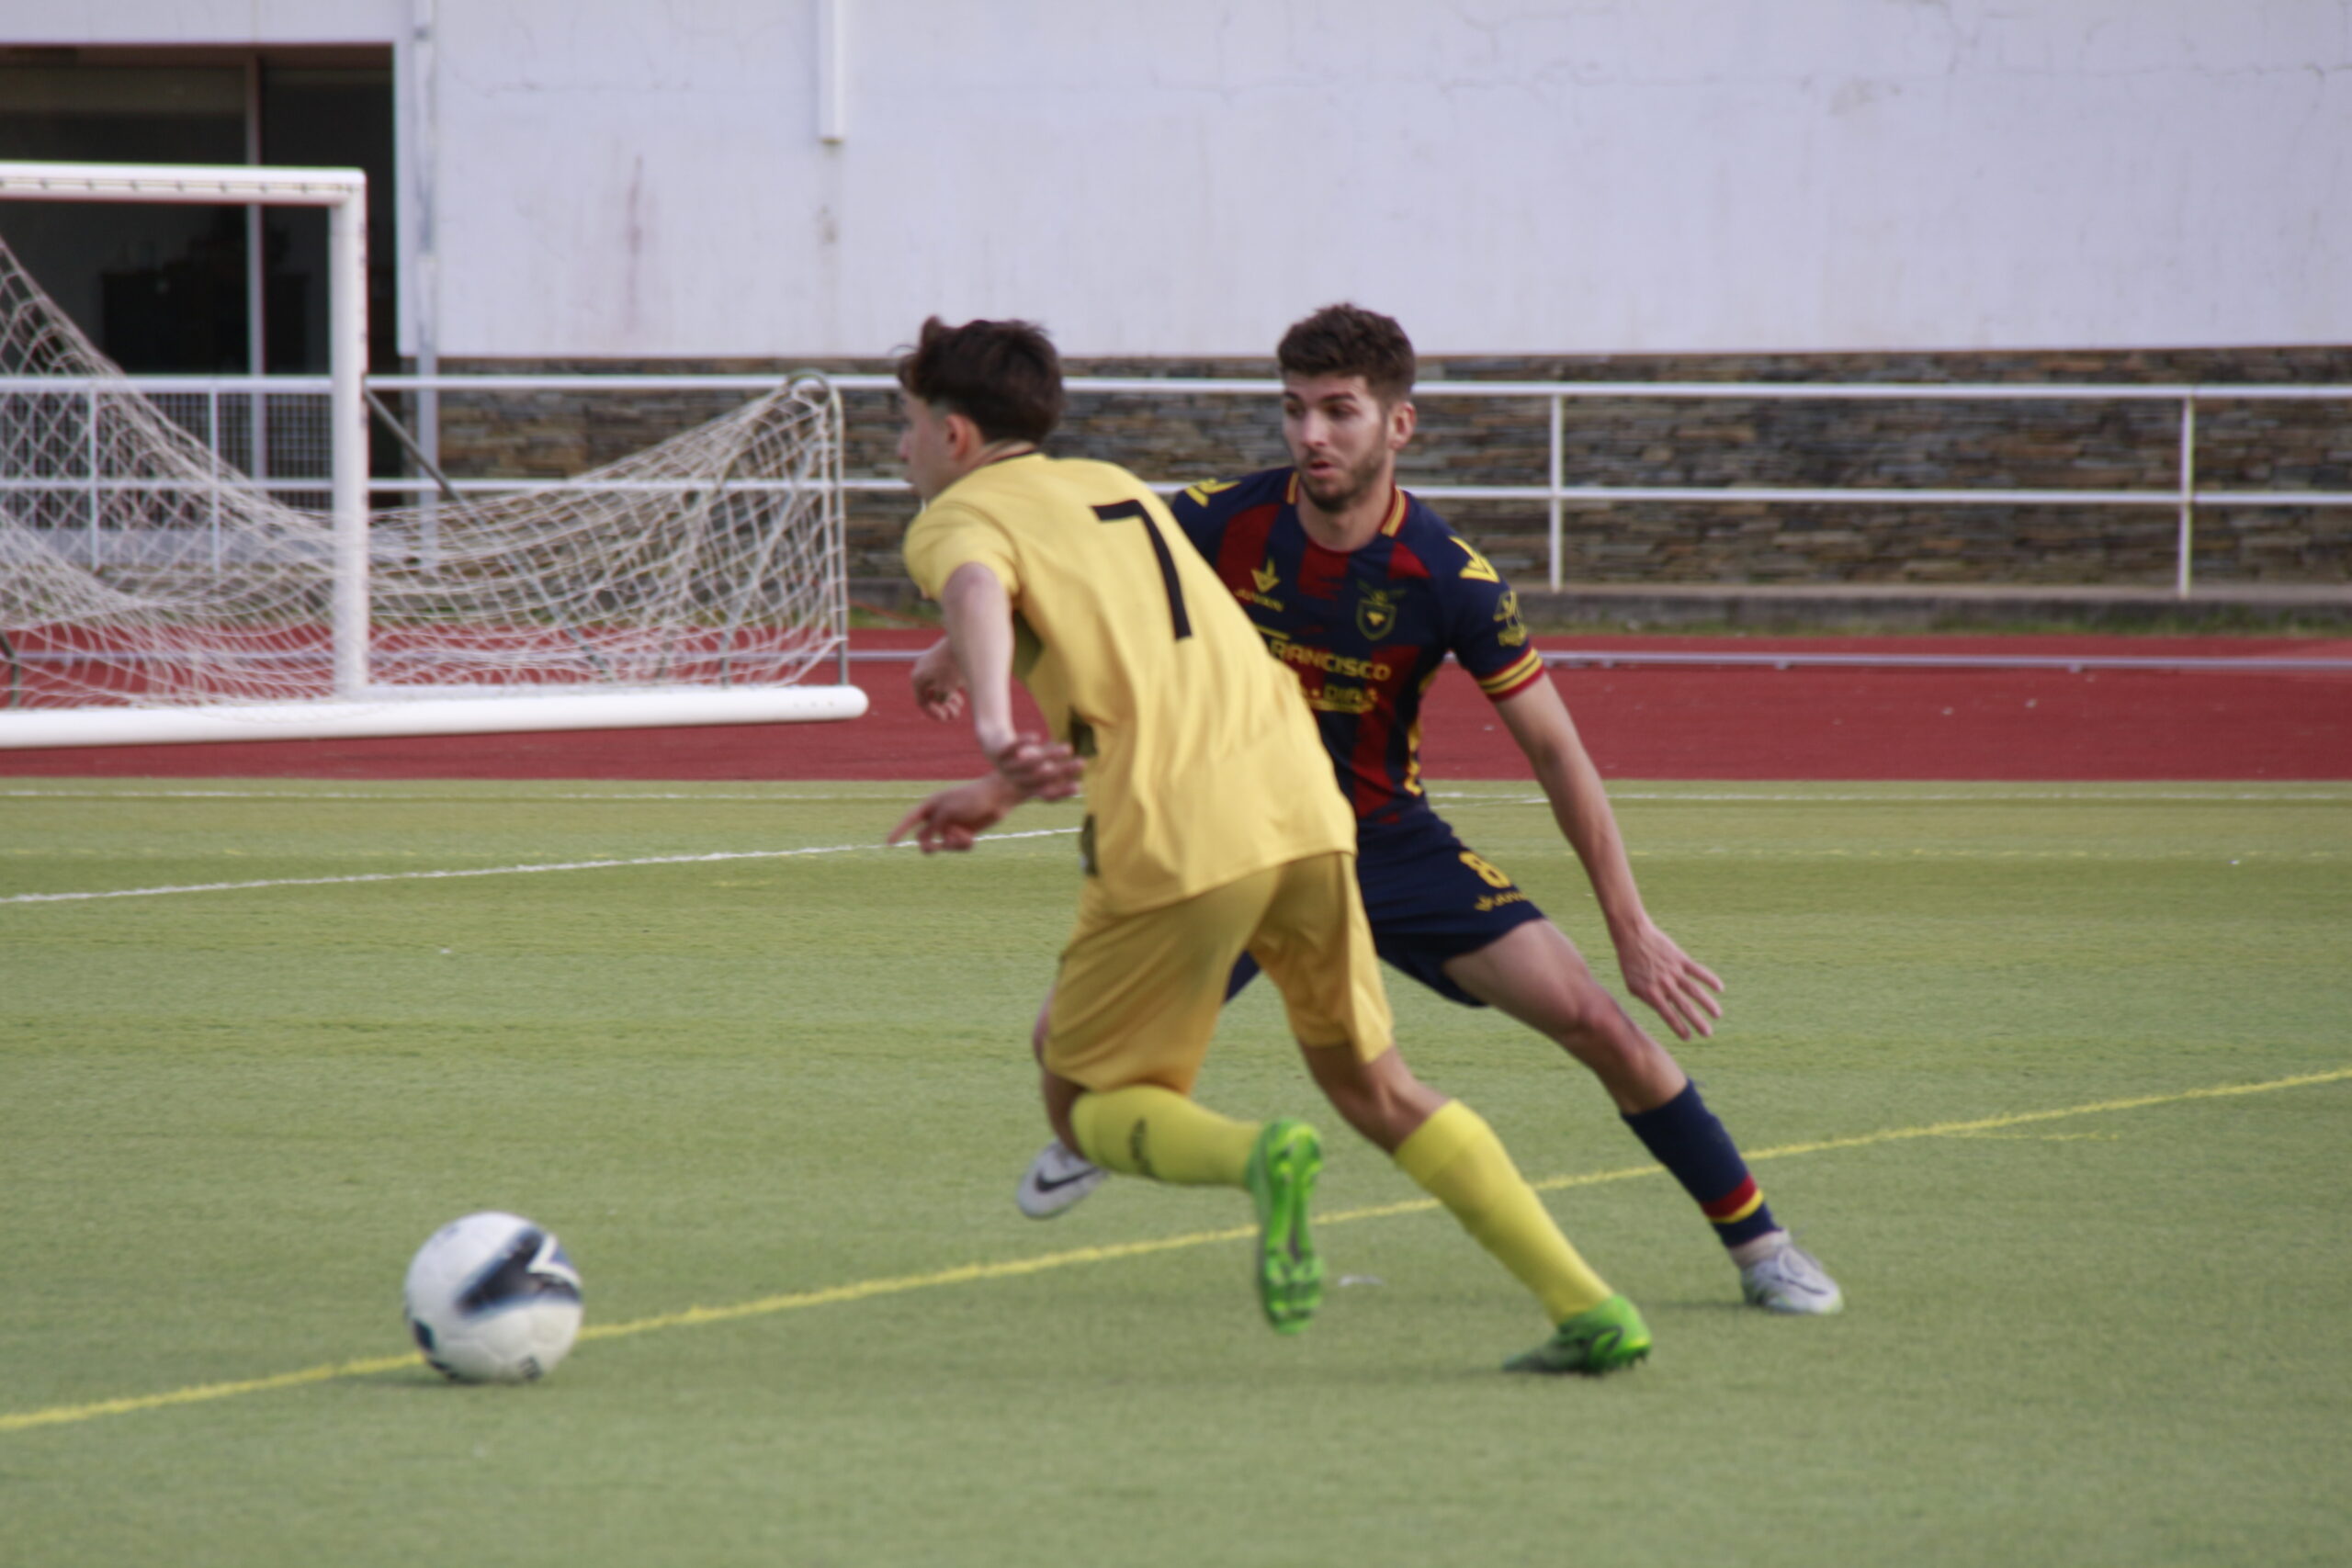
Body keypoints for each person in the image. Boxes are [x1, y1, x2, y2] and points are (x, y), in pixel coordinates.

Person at [918, 304, 1840, 1315]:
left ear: (1397, 425)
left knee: (1593, 1021)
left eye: (1340, 412)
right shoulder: (1221, 518)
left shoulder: (1447, 575)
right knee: (1066, 1043)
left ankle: (1761, 1246)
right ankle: (1110, 1116)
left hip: (1382, 839)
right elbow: (1069, 578)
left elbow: (1554, 749)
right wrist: (952, 651)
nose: (1312, 434)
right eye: (1294, 410)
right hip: (1230, 823)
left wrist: (1630, 922)